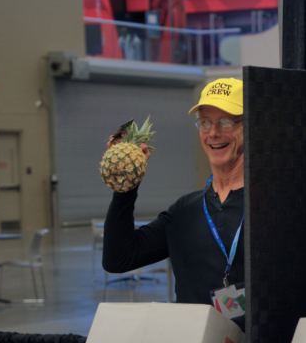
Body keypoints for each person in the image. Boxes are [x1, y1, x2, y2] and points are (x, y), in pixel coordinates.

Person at [102, 77, 246, 324]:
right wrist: (126, 186)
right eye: (205, 123)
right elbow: (118, 259)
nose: (213, 133)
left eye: (225, 122)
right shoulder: (185, 212)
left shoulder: (271, 206)